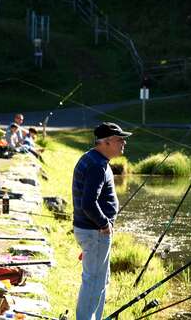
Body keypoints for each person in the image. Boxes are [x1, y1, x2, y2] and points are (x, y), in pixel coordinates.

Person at [72, 122, 131, 320]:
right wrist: (104, 224)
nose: (123, 142)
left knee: (100, 280)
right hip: (95, 232)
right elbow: (88, 203)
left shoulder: (93, 158)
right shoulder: (97, 165)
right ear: (105, 142)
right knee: (94, 281)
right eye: (119, 139)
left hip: (91, 231)